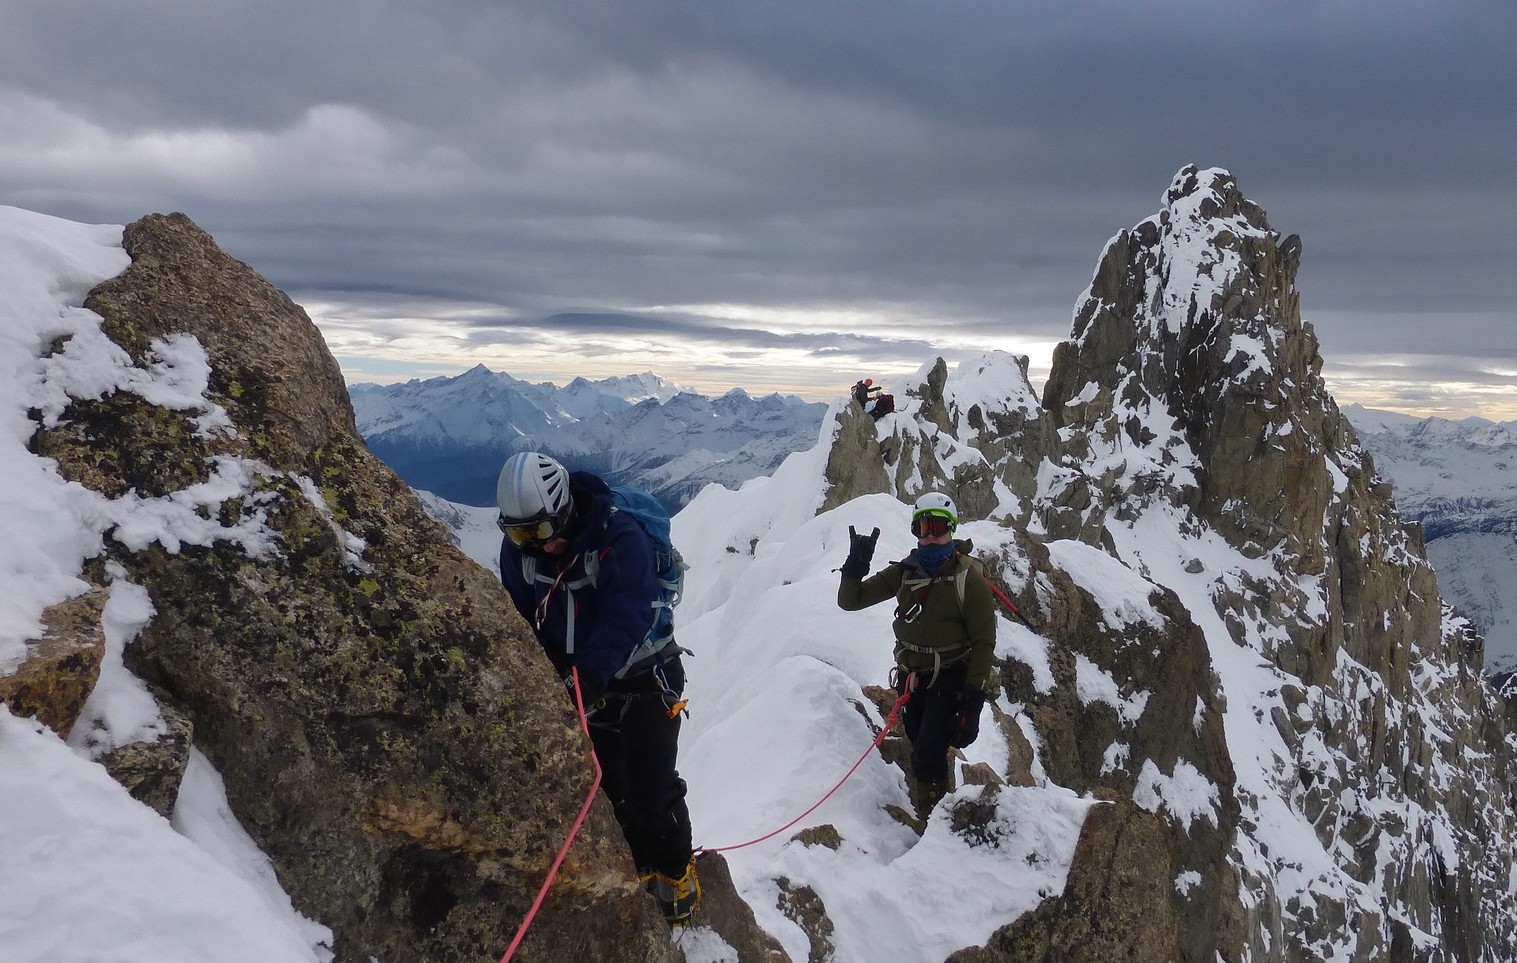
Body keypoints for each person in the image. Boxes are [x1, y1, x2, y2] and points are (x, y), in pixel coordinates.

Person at [495, 451, 699, 924]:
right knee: (610, 787)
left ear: (564, 509)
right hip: (583, 682)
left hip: (646, 677)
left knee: (652, 788)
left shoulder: (619, 537)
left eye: (541, 532)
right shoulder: (521, 552)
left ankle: (675, 877)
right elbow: (520, 615)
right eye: (520, 534)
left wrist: (583, 676)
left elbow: (626, 615)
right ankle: (637, 866)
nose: (534, 546)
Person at [836, 492, 995, 826]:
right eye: (923, 527)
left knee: (926, 754)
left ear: (951, 530)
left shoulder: (970, 580)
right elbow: (850, 602)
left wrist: (972, 702)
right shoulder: (905, 573)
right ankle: (941, 816)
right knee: (922, 743)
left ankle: (935, 829)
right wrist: (855, 568)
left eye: (938, 527)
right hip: (913, 676)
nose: (930, 535)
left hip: (949, 676)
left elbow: (983, 643)